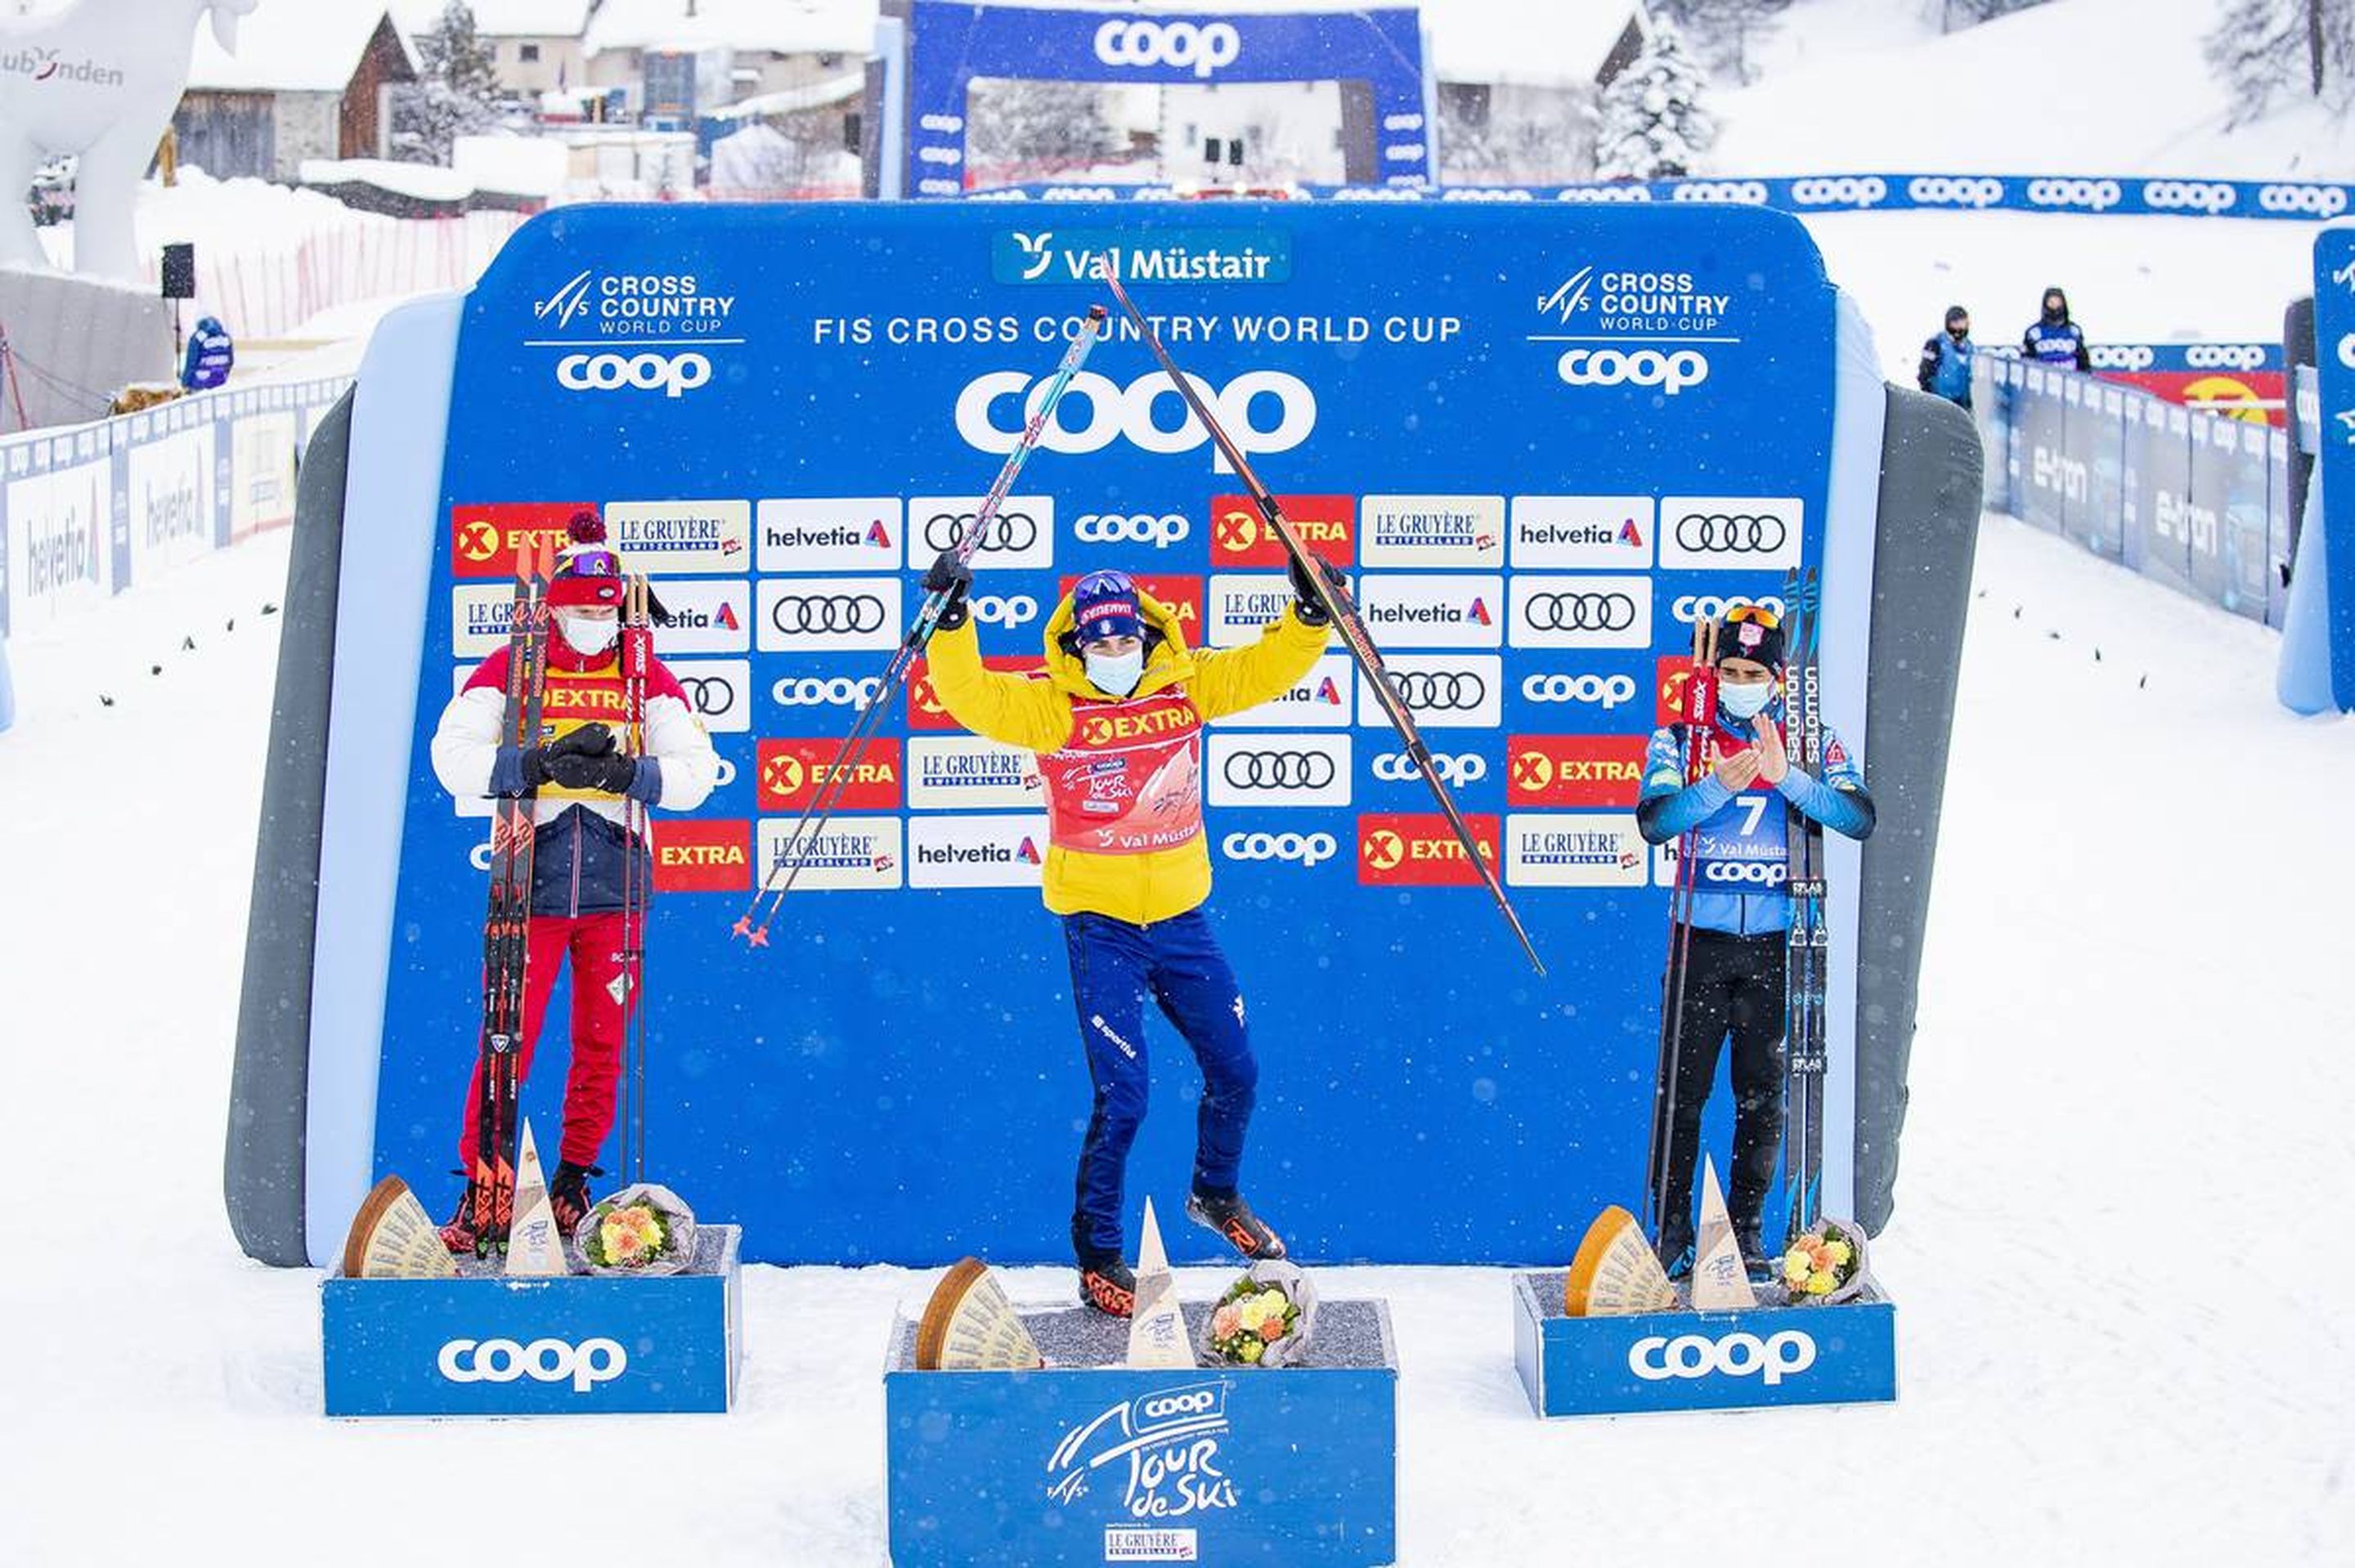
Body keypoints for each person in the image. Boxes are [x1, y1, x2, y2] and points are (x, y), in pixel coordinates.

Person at [921, 548, 1334, 1316]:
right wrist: (951, 620)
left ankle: (1215, 1194)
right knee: (1126, 1099)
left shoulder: (1187, 685)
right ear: (1075, 646)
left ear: (1146, 637)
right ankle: (1099, 1253)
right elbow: (969, 694)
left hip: (1181, 920)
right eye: (1099, 645)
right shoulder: (1051, 707)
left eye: (1126, 642)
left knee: (1237, 1072)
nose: (1115, 656)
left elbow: (1265, 667)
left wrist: (1310, 617)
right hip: (1101, 927)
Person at [429, 513, 718, 1252]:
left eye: (604, 608)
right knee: (506, 1042)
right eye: (581, 608)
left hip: (617, 886)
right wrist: (530, 765)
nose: (594, 621)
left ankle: (572, 1179)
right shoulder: (515, 663)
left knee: (600, 1043)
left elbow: (696, 774)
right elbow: (451, 753)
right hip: (531, 885)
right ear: (553, 604)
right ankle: (480, 1189)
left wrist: (629, 774)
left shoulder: (643, 669)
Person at [1635, 607, 1874, 1276]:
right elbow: (1656, 823)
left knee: (1762, 1095)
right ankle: (1673, 1232)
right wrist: (1717, 785)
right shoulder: (1678, 739)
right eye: (1730, 671)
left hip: (1774, 948)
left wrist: (1787, 778)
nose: (1741, 682)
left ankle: (1746, 1234)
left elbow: (1858, 817)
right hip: (1700, 944)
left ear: (1777, 679)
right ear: (1716, 674)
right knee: (1681, 1097)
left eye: (1754, 673)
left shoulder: (1811, 740)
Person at [1917, 304, 1974, 407]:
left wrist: (1968, 402)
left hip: (1961, 404)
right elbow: (1924, 375)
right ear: (1948, 324)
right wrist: (1930, 402)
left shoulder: (1969, 347)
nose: (1959, 327)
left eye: (1963, 323)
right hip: (1940, 403)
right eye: (1955, 323)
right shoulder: (1935, 343)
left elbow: (1968, 377)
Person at [2021, 286, 2090, 371]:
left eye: (2058, 302)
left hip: (2071, 380)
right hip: (2043, 381)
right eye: (2051, 302)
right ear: (2045, 304)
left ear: (2063, 304)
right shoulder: (2033, 333)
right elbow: (2026, 363)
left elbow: (2083, 361)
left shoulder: (2074, 331)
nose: (2055, 306)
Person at [179, 314, 233, 391]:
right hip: (220, 380)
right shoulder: (226, 337)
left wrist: (185, 382)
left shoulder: (198, 337)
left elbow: (191, 362)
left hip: (200, 382)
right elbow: (230, 361)